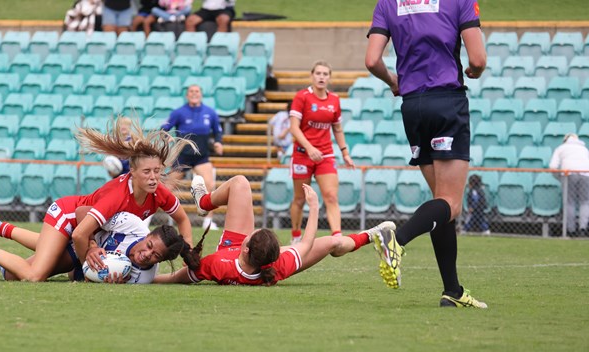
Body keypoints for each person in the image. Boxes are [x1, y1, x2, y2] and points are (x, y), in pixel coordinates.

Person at [0, 119, 194, 282]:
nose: (153, 177)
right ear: (132, 173)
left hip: (85, 231)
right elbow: (80, 228)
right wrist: (89, 265)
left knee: (12, 275)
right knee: (34, 276)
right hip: (70, 218)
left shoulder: (158, 192)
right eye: (146, 172)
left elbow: (182, 220)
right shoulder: (118, 196)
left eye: (157, 171)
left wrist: (187, 252)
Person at [365, 0, 488, 308]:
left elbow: (371, 60)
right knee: (451, 203)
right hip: (446, 101)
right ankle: (397, 239)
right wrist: (474, 70)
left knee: (440, 206)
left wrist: (393, 81)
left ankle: (453, 291)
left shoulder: (387, 4)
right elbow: (478, 58)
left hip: (413, 107)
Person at [154, 174, 395, 286]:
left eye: (254, 232)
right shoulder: (278, 266)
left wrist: (146, 281)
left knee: (240, 182)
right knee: (333, 243)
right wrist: (314, 207)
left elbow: (177, 278)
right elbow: (306, 243)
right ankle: (372, 235)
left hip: (231, 249)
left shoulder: (218, 263)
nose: (253, 228)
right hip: (255, 259)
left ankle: (204, 202)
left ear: (246, 247)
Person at [0, 212, 196, 284]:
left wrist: (103, 283)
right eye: (149, 245)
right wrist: (88, 245)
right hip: (78, 237)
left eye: (155, 257)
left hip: (80, 266)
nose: (146, 255)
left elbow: (84, 279)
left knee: (22, 268)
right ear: (146, 234)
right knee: (23, 273)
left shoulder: (144, 276)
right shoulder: (131, 224)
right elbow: (83, 214)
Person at [288, 61, 355, 243]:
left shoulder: (334, 100)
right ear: (312, 76)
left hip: (325, 154)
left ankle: (337, 237)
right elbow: (294, 128)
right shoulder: (302, 97)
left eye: (325, 74)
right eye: (318, 73)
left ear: (329, 78)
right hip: (302, 154)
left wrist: (345, 153)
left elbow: (338, 129)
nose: (321, 77)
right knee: (300, 199)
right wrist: (309, 148)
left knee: (331, 196)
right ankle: (296, 236)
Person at [161, 84, 223, 229]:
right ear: (187, 95)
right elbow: (163, 129)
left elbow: (218, 132)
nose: (194, 93)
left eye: (197, 91)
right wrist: (166, 137)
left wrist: (219, 143)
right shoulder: (179, 112)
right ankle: (148, 218)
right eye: (191, 91)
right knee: (166, 188)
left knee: (209, 185)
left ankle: (207, 221)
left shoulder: (210, 112)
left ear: (201, 94)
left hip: (201, 157)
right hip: (182, 156)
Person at [549, 133, 589, 237]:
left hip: (569, 175)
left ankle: (570, 230)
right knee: (585, 202)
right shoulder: (584, 149)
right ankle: (583, 229)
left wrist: (560, 178)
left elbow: (553, 166)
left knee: (569, 202)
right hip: (585, 175)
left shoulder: (561, 148)